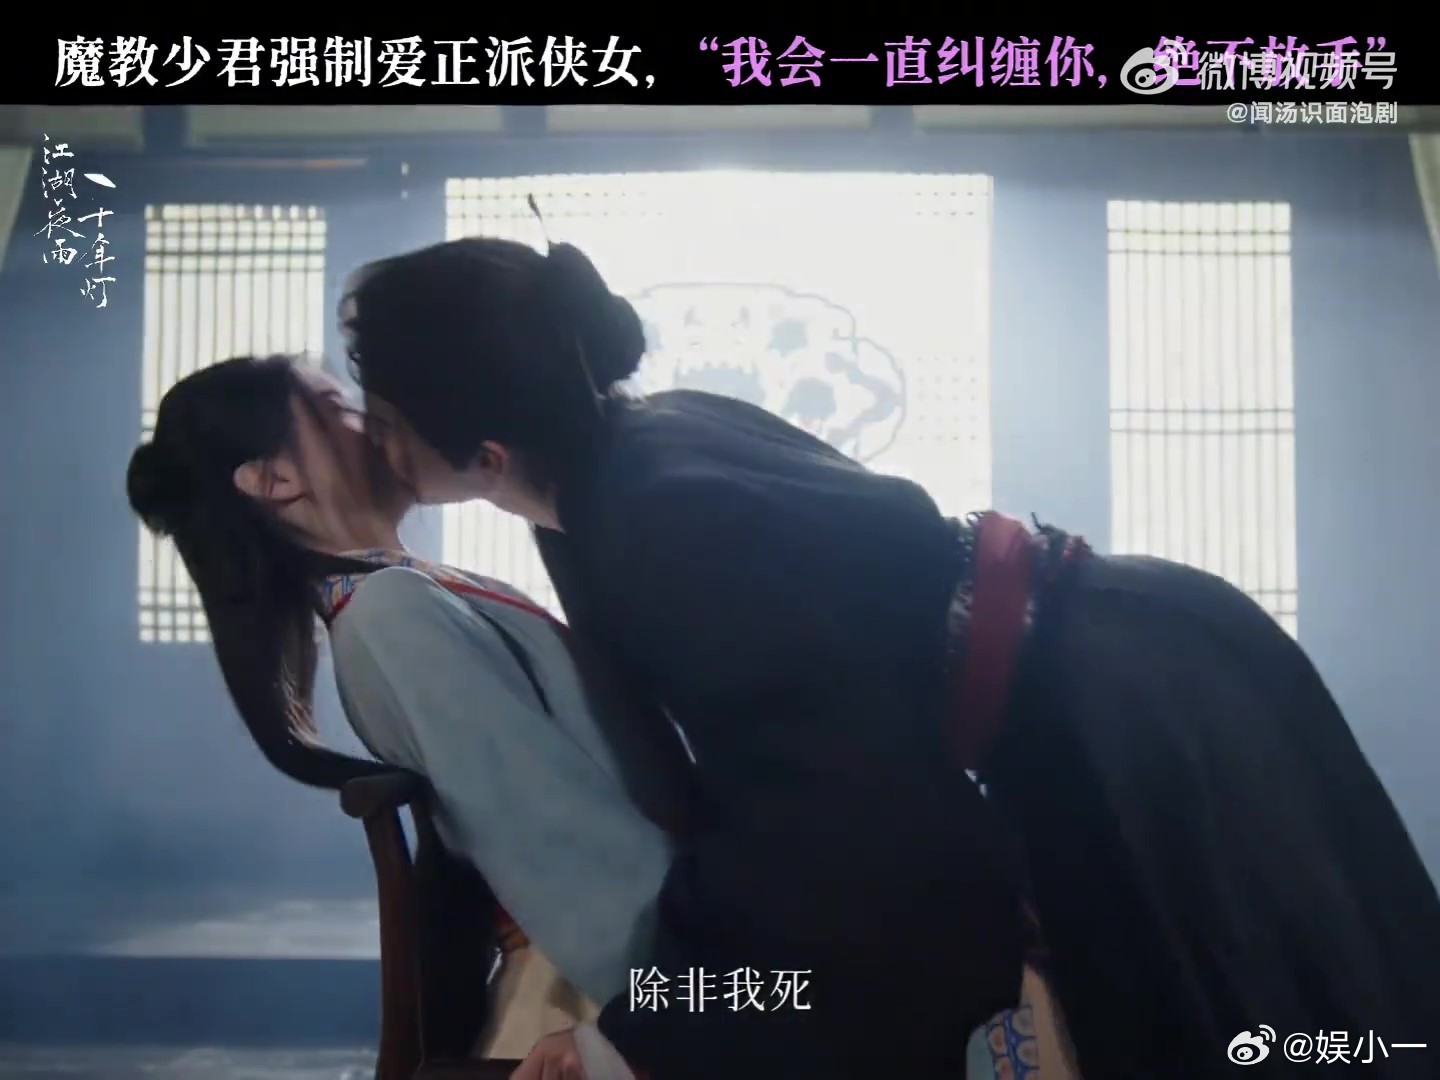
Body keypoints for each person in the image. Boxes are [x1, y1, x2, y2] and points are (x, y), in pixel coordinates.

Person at [342, 235, 1440, 1080]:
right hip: (1112, 670)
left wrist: (644, 1033)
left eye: (383, 417)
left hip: (1140, 705)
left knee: (1278, 1013)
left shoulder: (660, 516)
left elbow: (829, 819)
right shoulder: (623, 469)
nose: (367, 441)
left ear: (486, 452)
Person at [123, 354, 686, 1068]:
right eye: (338, 410)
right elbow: (559, 842)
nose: (376, 421)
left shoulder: (413, 592)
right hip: (610, 990)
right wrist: (694, 1003)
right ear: (274, 480)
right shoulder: (391, 612)